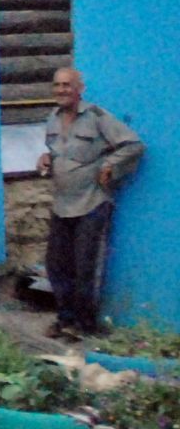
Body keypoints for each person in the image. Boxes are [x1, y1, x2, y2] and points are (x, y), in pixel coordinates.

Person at [37, 66, 143, 339]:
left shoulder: (96, 116)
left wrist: (110, 166)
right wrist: (46, 159)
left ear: (79, 89)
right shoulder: (52, 118)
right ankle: (65, 320)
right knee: (57, 265)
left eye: (67, 85)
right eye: (57, 85)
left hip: (92, 203)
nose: (61, 90)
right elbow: (58, 151)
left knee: (85, 266)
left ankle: (85, 326)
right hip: (62, 204)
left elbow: (133, 145)